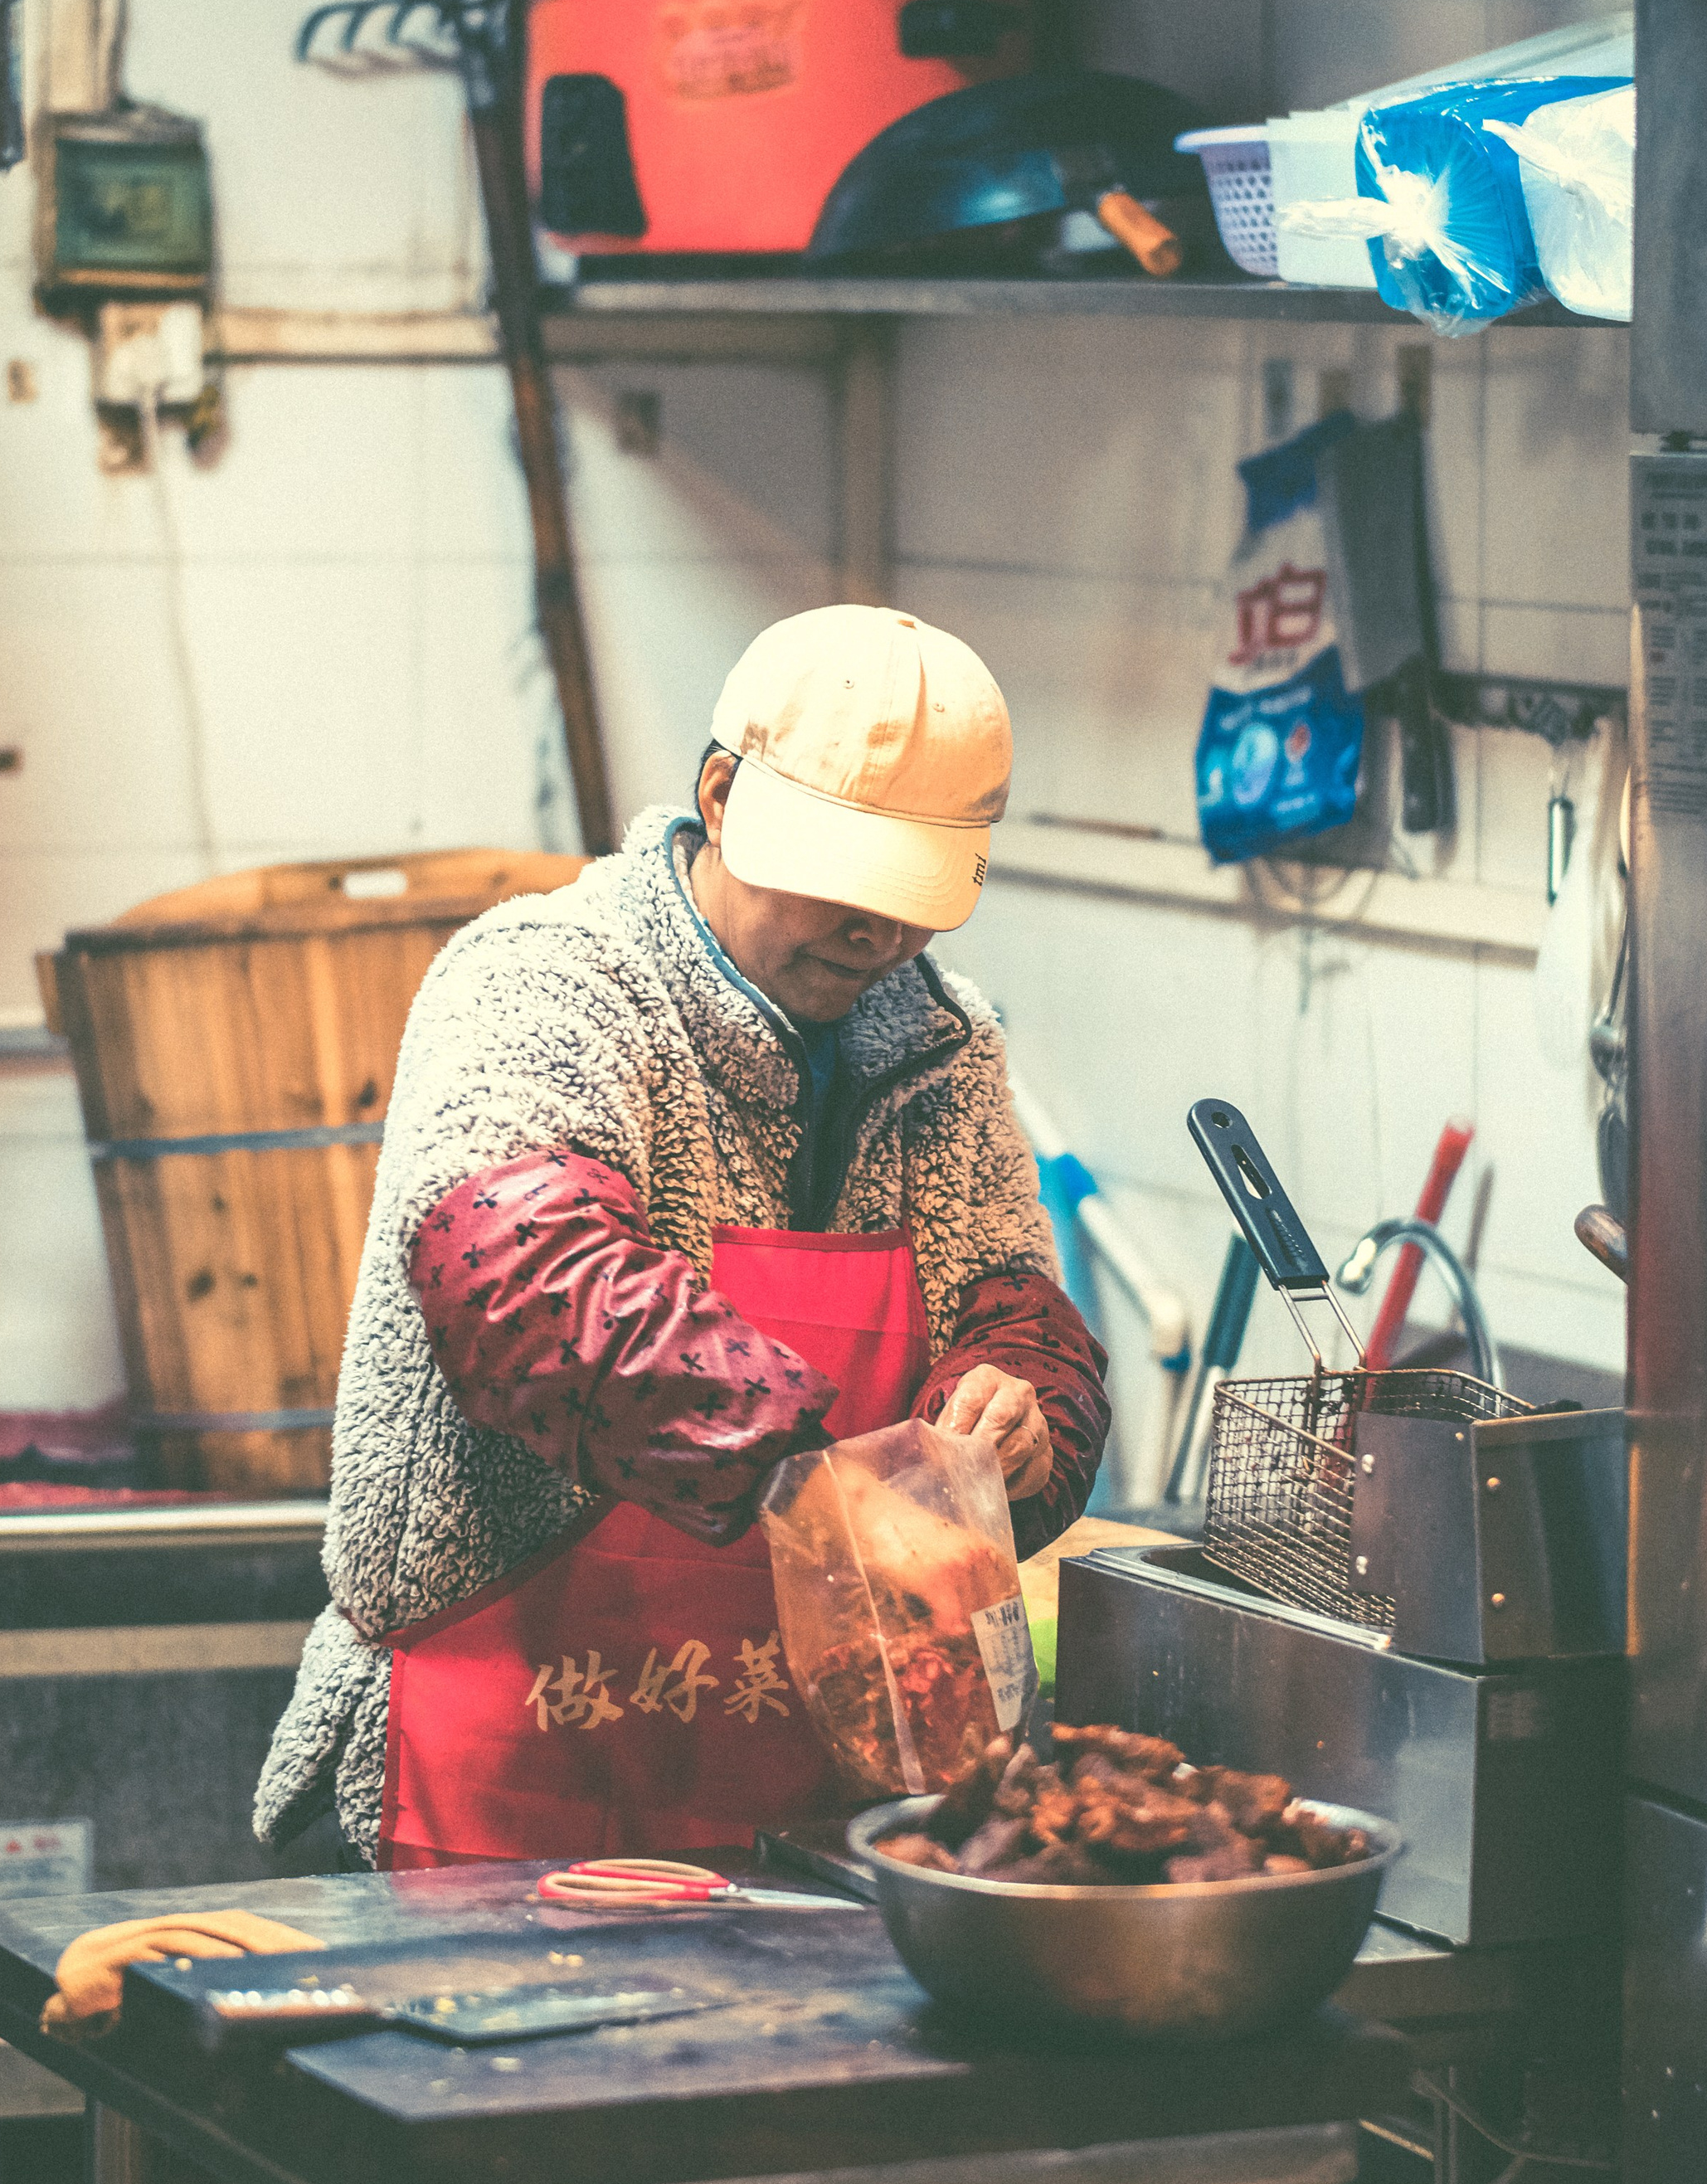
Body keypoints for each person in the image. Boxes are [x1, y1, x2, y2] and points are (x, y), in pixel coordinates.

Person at [255, 603, 1109, 1869]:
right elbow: (520, 1278)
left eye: (911, 897)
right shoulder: (548, 978)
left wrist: (1017, 1429)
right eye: (846, 883)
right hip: (500, 1776)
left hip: (800, 1804)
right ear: (720, 796)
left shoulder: (944, 1044)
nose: (878, 934)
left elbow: (1015, 1307)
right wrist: (826, 1488)